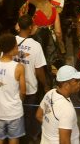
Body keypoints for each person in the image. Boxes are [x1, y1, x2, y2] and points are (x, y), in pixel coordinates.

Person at [0, 34, 26, 144]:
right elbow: (23, 91)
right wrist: (17, 102)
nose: (18, 49)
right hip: (14, 112)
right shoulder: (19, 67)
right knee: (14, 139)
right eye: (17, 46)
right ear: (12, 48)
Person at [16, 14, 49, 142]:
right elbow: (39, 70)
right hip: (29, 87)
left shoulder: (11, 41)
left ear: (19, 26)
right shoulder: (36, 46)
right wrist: (45, 85)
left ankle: (16, 137)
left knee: (15, 115)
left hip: (14, 88)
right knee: (28, 115)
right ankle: (26, 138)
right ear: (30, 27)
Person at [36, 65, 80, 144]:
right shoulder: (66, 109)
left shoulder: (50, 93)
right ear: (66, 85)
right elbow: (64, 142)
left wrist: (52, 129)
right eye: (76, 80)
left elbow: (38, 115)